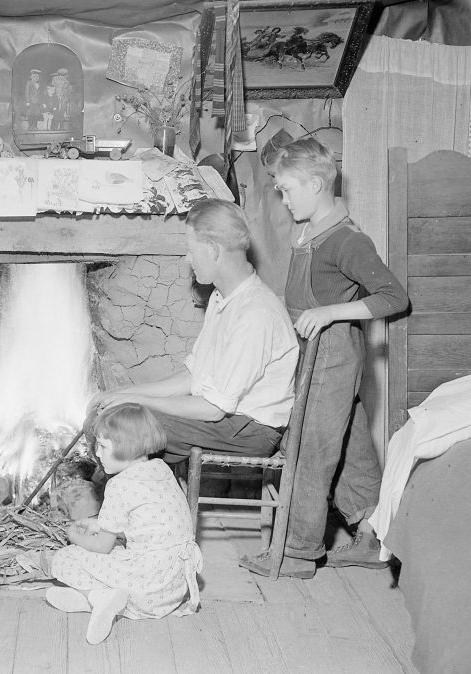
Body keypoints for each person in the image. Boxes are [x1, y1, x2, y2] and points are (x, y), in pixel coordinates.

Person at [239, 137, 409, 579]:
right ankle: (374, 535)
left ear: (315, 183)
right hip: (317, 350)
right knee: (351, 445)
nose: (282, 196)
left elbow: (394, 297)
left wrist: (331, 312)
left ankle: (297, 552)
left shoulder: (347, 240)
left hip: (331, 354)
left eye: (287, 188)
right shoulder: (311, 231)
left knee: (309, 450)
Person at [90, 199, 299, 468]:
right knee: (113, 412)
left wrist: (135, 400)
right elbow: (193, 377)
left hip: (248, 431)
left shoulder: (255, 314)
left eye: (191, 251)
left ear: (213, 250)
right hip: (228, 420)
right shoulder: (222, 298)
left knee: (123, 426)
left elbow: (213, 409)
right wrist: (125, 392)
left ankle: (127, 502)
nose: (188, 259)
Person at [42, 403, 202, 645]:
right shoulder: (162, 469)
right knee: (119, 554)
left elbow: (102, 547)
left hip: (143, 586)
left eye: (104, 446)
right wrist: (96, 525)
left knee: (65, 559)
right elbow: (145, 523)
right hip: (173, 588)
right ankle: (91, 602)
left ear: (127, 446)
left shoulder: (120, 485)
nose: (97, 453)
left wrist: (73, 536)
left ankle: (97, 598)